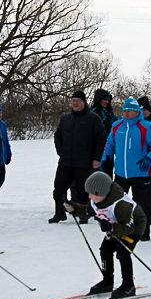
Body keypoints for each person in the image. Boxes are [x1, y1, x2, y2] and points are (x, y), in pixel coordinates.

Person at [68, 169, 147, 299]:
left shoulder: (121, 204)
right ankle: (107, 282)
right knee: (105, 249)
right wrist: (74, 208)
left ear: (102, 193)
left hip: (134, 228)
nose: (90, 197)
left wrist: (111, 226)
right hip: (116, 227)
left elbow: (128, 227)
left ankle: (128, 286)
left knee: (123, 252)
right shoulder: (96, 200)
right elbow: (88, 211)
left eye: (92, 194)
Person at [101, 97, 151, 241]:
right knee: (118, 204)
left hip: (141, 174)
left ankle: (143, 231)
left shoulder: (146, 127)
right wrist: (105, 159)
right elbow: (109, 144)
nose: (126, 113)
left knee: (143, 205)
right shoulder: (116, 126)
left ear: (137, 112)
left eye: (129, 111)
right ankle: (119, 230)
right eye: (124, 111)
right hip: (121, 174)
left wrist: (149, 158)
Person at [48, 90, 105, 224]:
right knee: (58, 189)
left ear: (84, 102)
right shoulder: (65, 118)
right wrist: (60, 151)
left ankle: (83, 215)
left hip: (84, 162)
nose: (75, 103)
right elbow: (58, 136)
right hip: (65, 162)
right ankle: (59, 213)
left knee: (82, 191)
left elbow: (101, 139)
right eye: (73, 101)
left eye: (78, 101)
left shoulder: (93, 118)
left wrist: (97, 158)